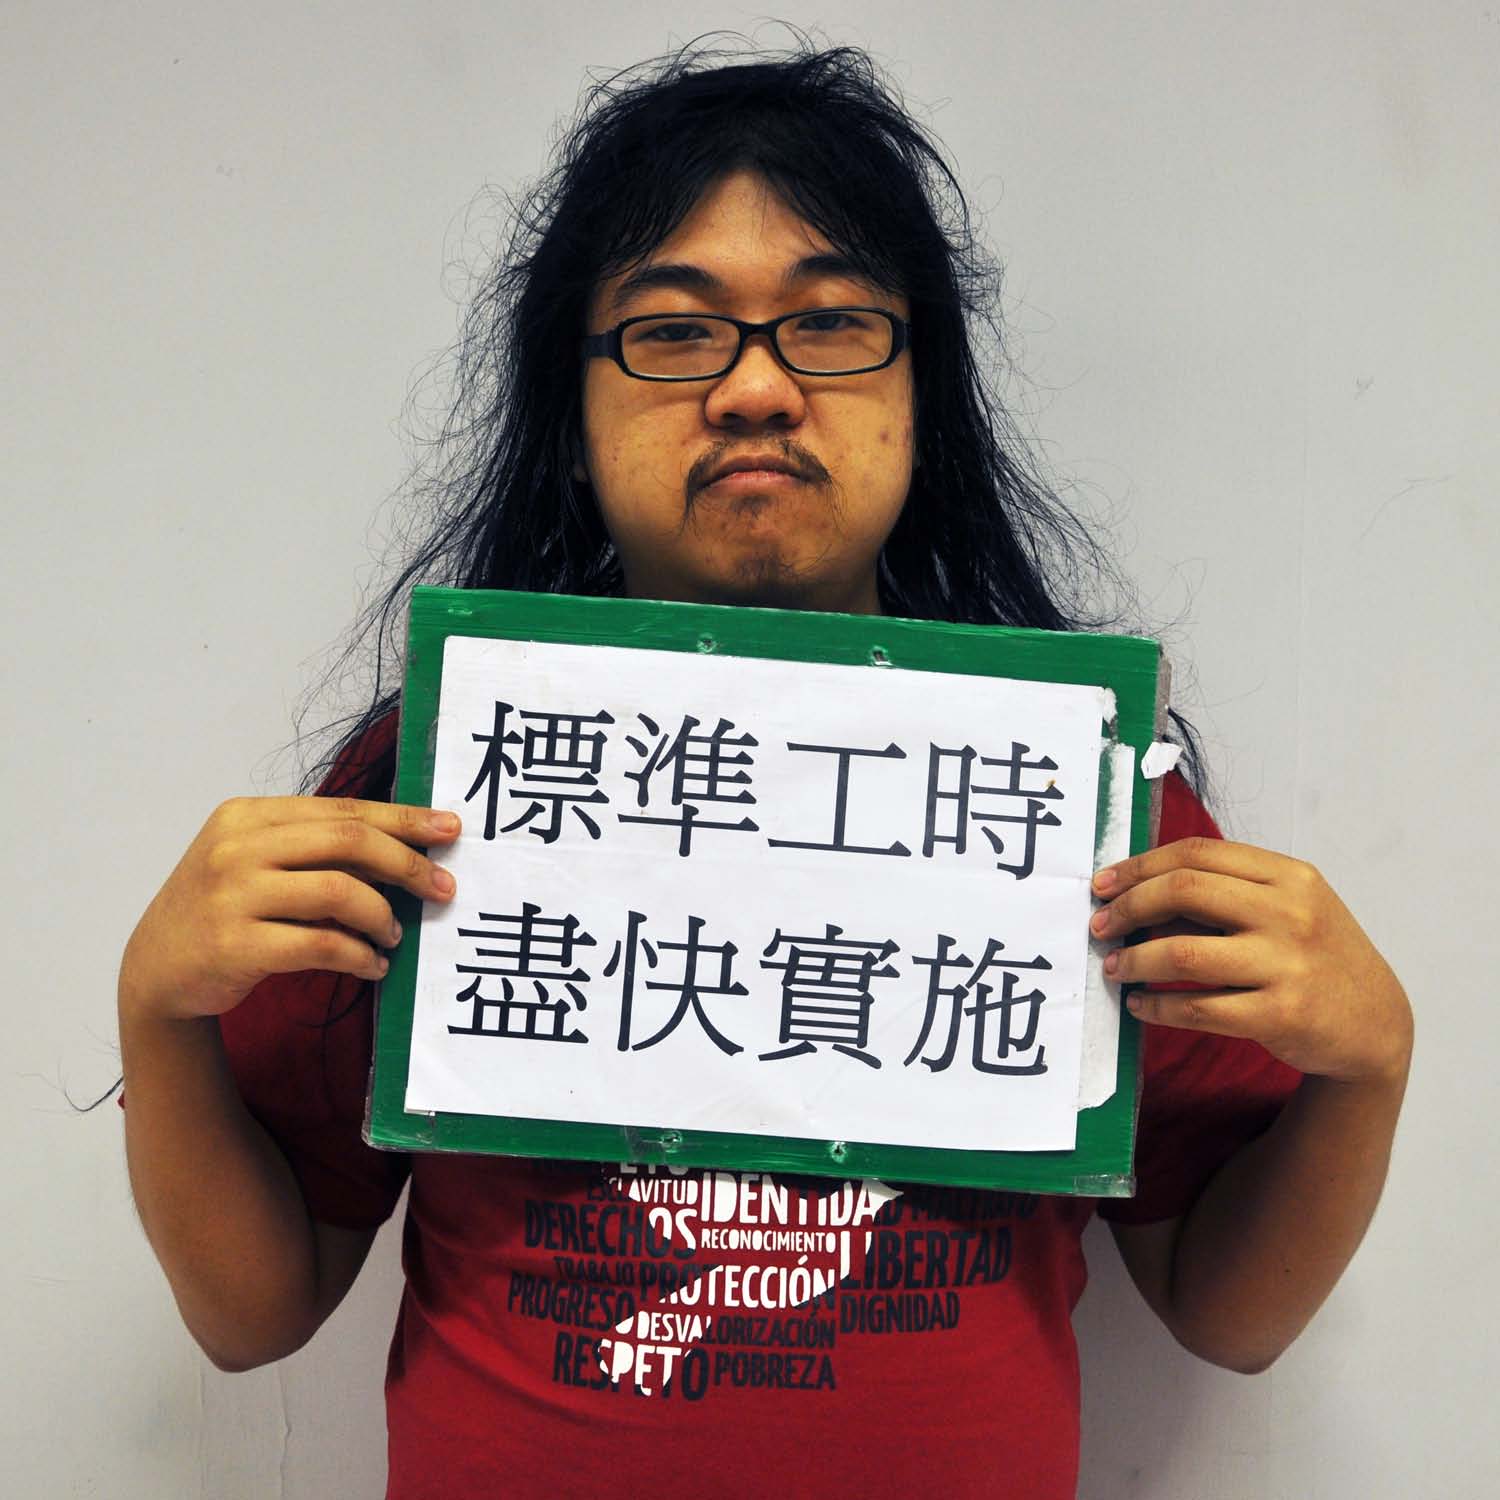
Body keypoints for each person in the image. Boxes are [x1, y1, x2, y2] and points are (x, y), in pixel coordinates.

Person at [117, 41, 1412, 1499]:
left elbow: (1227, 1312)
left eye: (834, 324)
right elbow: (253, 1314)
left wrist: (1366, 1067)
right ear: (573, 415)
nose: (753, 388)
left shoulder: (1079, 785)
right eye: (672, 332)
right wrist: (159, 1008)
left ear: (925, 396)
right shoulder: (435, 774)